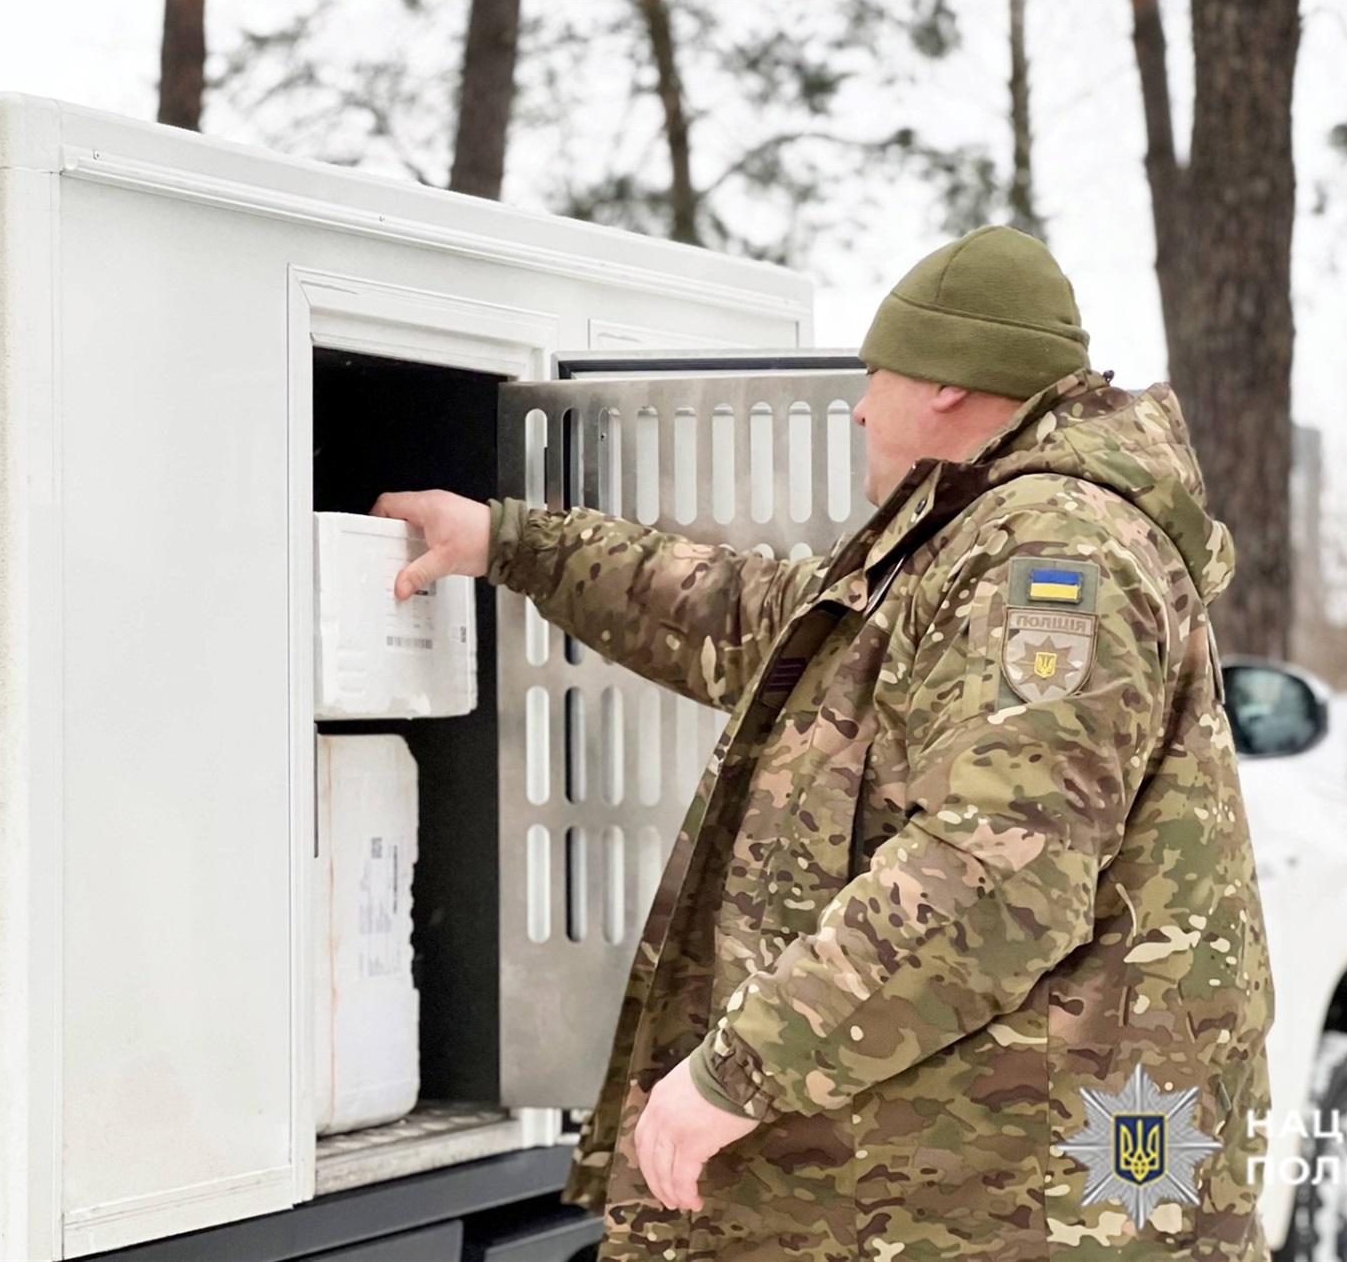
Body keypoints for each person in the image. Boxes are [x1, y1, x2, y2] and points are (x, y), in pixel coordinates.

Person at [372, 225, 1275, 1261]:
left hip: (1006, 1206)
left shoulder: (1052, 555)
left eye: (875, 373)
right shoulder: (974, 538)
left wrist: (736, 1073)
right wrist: (509, 543)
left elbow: (991, 880)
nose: (855, 405)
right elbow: (761, 620)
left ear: (944, 386)